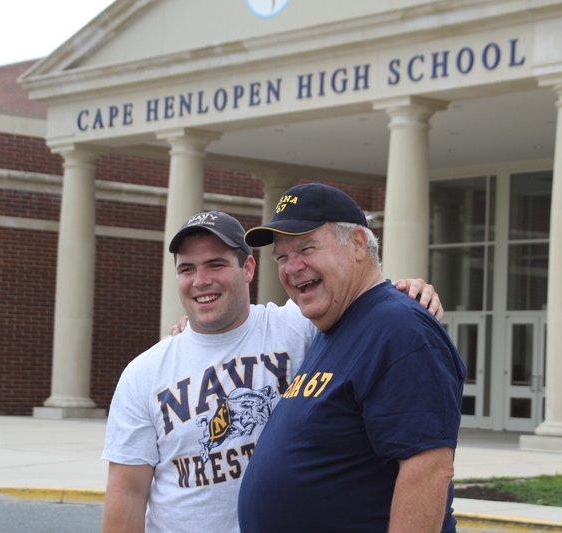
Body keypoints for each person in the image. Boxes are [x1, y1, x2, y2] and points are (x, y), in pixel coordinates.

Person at [100, 210, 443, 533]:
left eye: (215, 265)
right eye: (186, 269)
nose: (200, 281)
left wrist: (406, 290)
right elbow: (127, 492)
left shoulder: (298, 326)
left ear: (248, 268)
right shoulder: (143, 372)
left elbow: (353, 294)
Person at [238, 183, 467, 533]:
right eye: (282, 257)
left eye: (306, 248)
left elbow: (428, 471)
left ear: (358, 244)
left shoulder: (399, 327)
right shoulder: (334, 324)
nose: (292, 267)